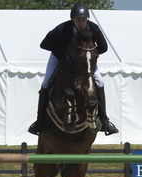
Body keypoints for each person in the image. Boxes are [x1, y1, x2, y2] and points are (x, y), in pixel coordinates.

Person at [28, 3, 118, 136]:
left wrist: (90, 55)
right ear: (72, 19)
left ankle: (105, 121)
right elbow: (44, 44)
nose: (81, 22)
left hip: (85, 61)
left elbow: (103, 47)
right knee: (46, 83)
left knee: (99, 81)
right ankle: (39, 122)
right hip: (61, 58)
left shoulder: (94, 28)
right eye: (78, 19)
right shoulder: (62, 29)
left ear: (87, 19)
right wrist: (64, 54)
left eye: (83, 19)